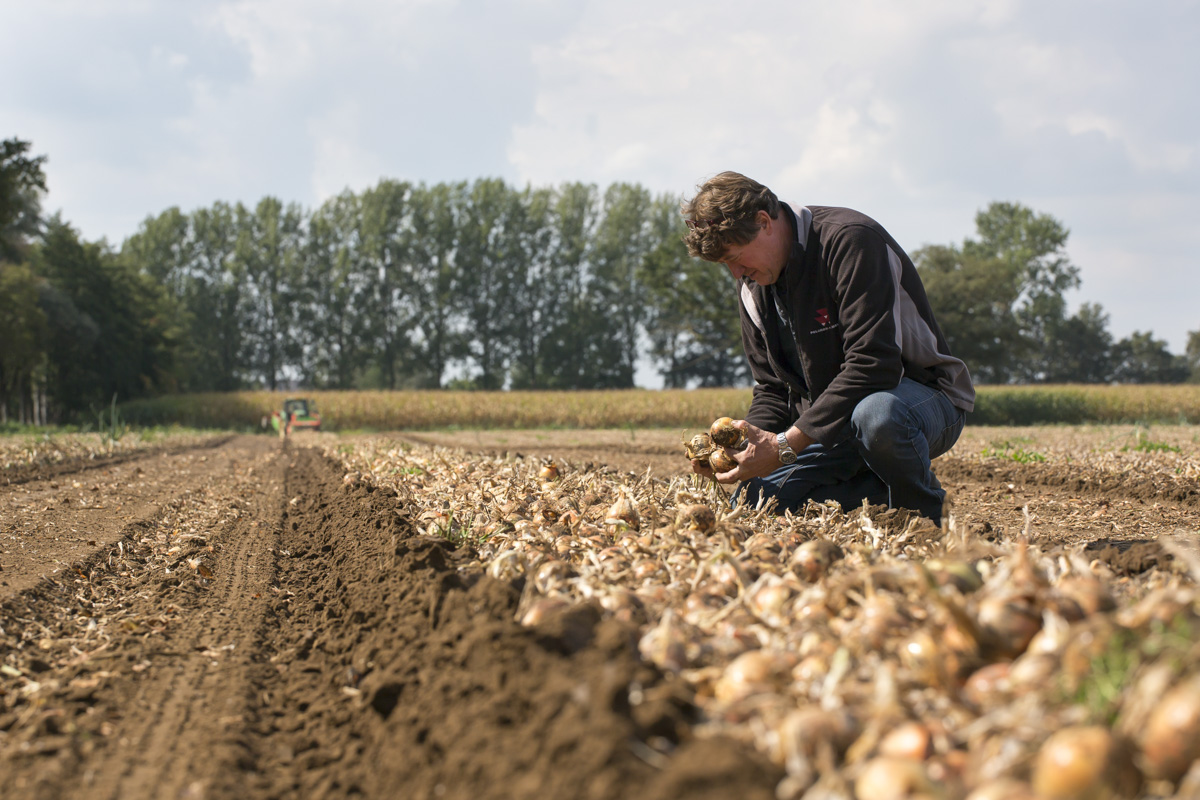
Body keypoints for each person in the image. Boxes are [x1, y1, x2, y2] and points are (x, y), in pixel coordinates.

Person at [682, 171, 974, 525]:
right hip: (833, 424)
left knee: (877, 416)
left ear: (764, 222)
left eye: (736, 257)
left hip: (917, 400)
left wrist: (784, 446)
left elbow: (874, 365)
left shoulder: (850, 241)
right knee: (756, 501)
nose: (735, 273)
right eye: (725, 264)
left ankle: (923, 518)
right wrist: (744, 448)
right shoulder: (753, 285)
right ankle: (879, 492)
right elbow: (774, 389)